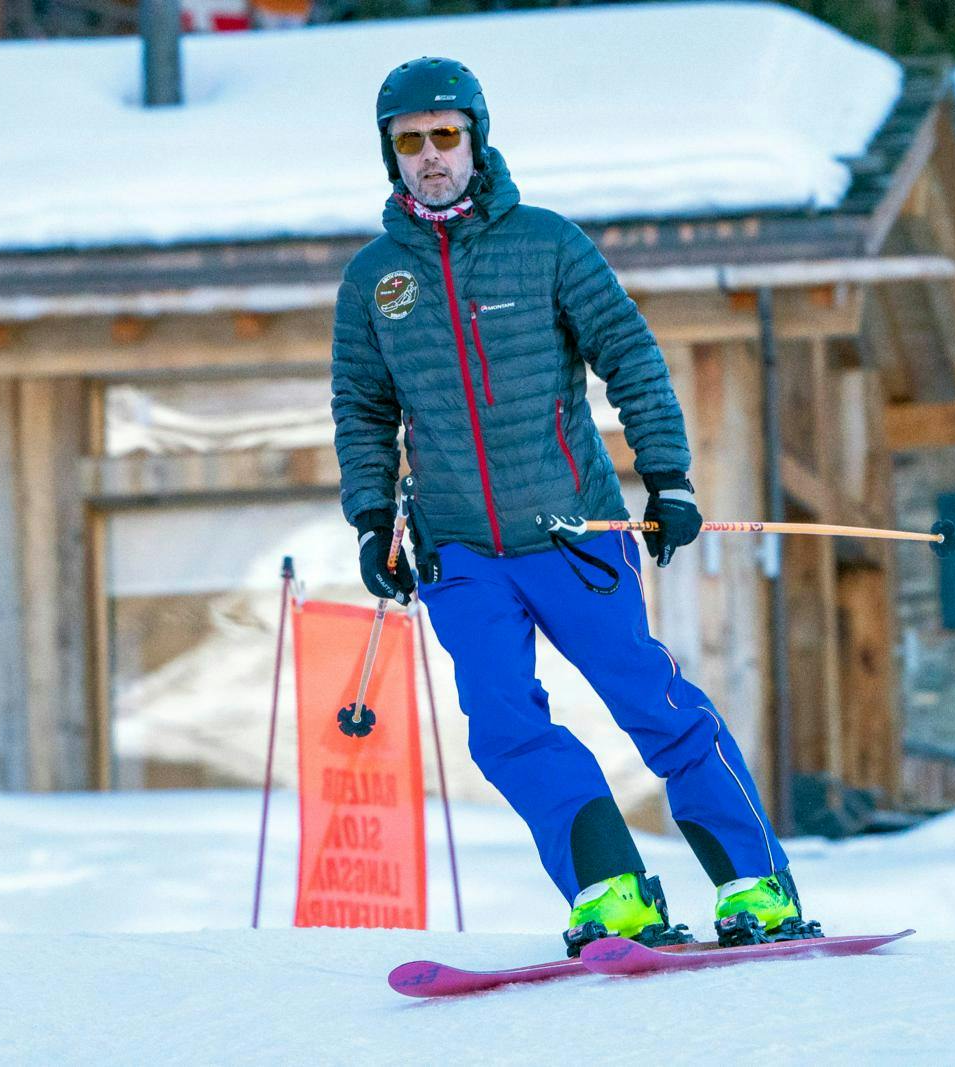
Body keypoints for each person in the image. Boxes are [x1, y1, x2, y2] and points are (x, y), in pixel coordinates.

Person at [329, 57, 816, 954]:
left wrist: (667, 478)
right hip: (460, 552)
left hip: (572, 533)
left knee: (653, 705)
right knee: (505, 725)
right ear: (390, 155)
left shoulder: (548, 243)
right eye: (410, 142)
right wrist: (371, 518)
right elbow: (363, 409)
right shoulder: (374, 281)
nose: (431, 157)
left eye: (446, 136)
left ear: (476, 138)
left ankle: (759, 886)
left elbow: (629, 355)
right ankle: (612, 890)